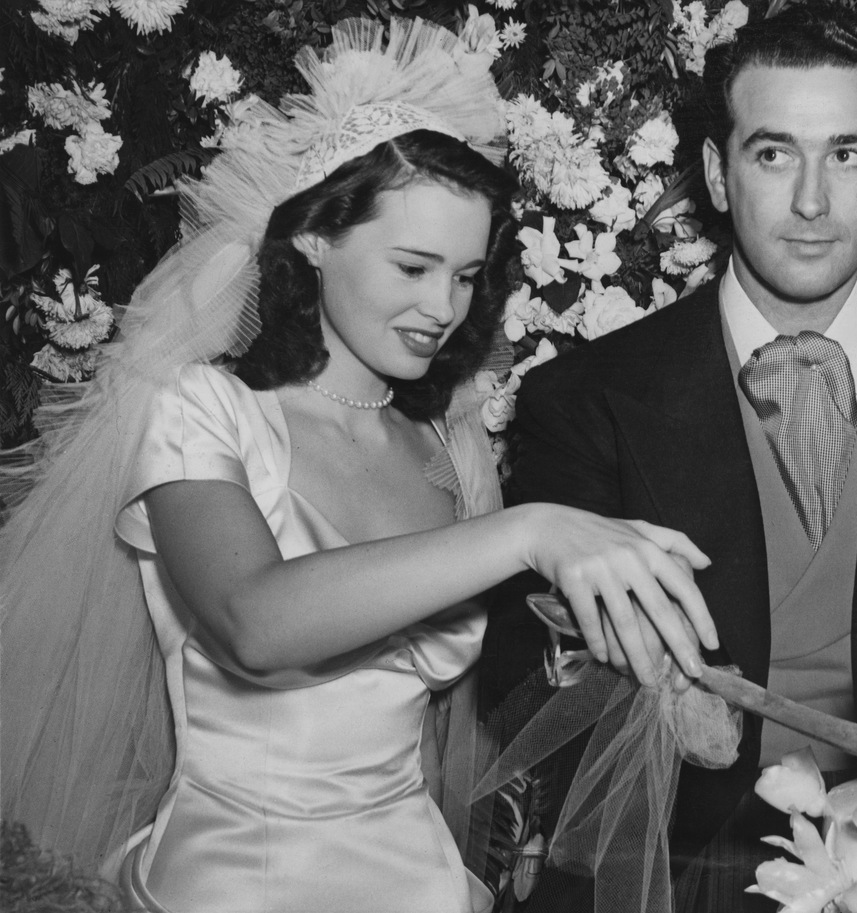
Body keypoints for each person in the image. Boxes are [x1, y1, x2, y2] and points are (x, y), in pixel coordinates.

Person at [0, 18, 718, 913]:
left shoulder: (451, 447)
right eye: (413, 265)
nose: (444, 307)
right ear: (312, 239)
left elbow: (444, 727)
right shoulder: (203, 413)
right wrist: (533, 530)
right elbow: (255, 623)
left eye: (465, 274)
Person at [479, 3, 857, 911]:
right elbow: (535, 698)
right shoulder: (583, 400)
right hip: (677, 871)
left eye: (847, 154)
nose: (813, 201)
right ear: (718, 174)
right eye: (775, 153)